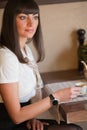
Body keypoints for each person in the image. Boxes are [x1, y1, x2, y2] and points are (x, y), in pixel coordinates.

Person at [0, 0, 83, 130]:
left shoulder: (25, 49)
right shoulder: (6, 57)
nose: (31, 23)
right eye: (23, 17)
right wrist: (56, 97)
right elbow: (16, 116)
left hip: (24, 119)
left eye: (35, 17)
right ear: (10, 21)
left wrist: (32, 117)